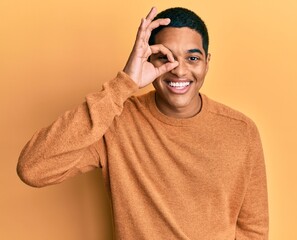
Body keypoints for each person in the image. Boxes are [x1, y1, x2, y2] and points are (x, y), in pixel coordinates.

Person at [17, 6, 269, 239]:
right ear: (148, 60)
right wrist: (123, 84)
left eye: (192, 58)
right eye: (165, 57)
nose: (179, 71)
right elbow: (33, 168)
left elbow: (253, 229)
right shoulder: (116, 121)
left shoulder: (241, 130)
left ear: (207, 63)